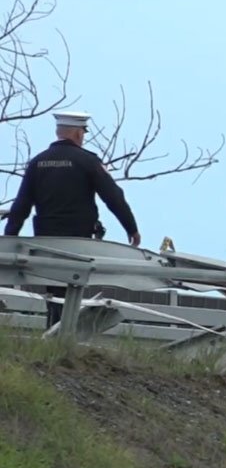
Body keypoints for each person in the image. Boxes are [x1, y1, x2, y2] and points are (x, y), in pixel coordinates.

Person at [2, 110, 141, 328]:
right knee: (73, 287)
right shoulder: (87, 161)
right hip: (78, 240)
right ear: (78, 134)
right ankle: (63, 336)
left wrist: (8, 239)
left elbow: (21, 206)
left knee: (53, 290)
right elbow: (113, 196)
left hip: (45, 240)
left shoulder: (37, 163)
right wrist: (131, 228)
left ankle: (54, 332)